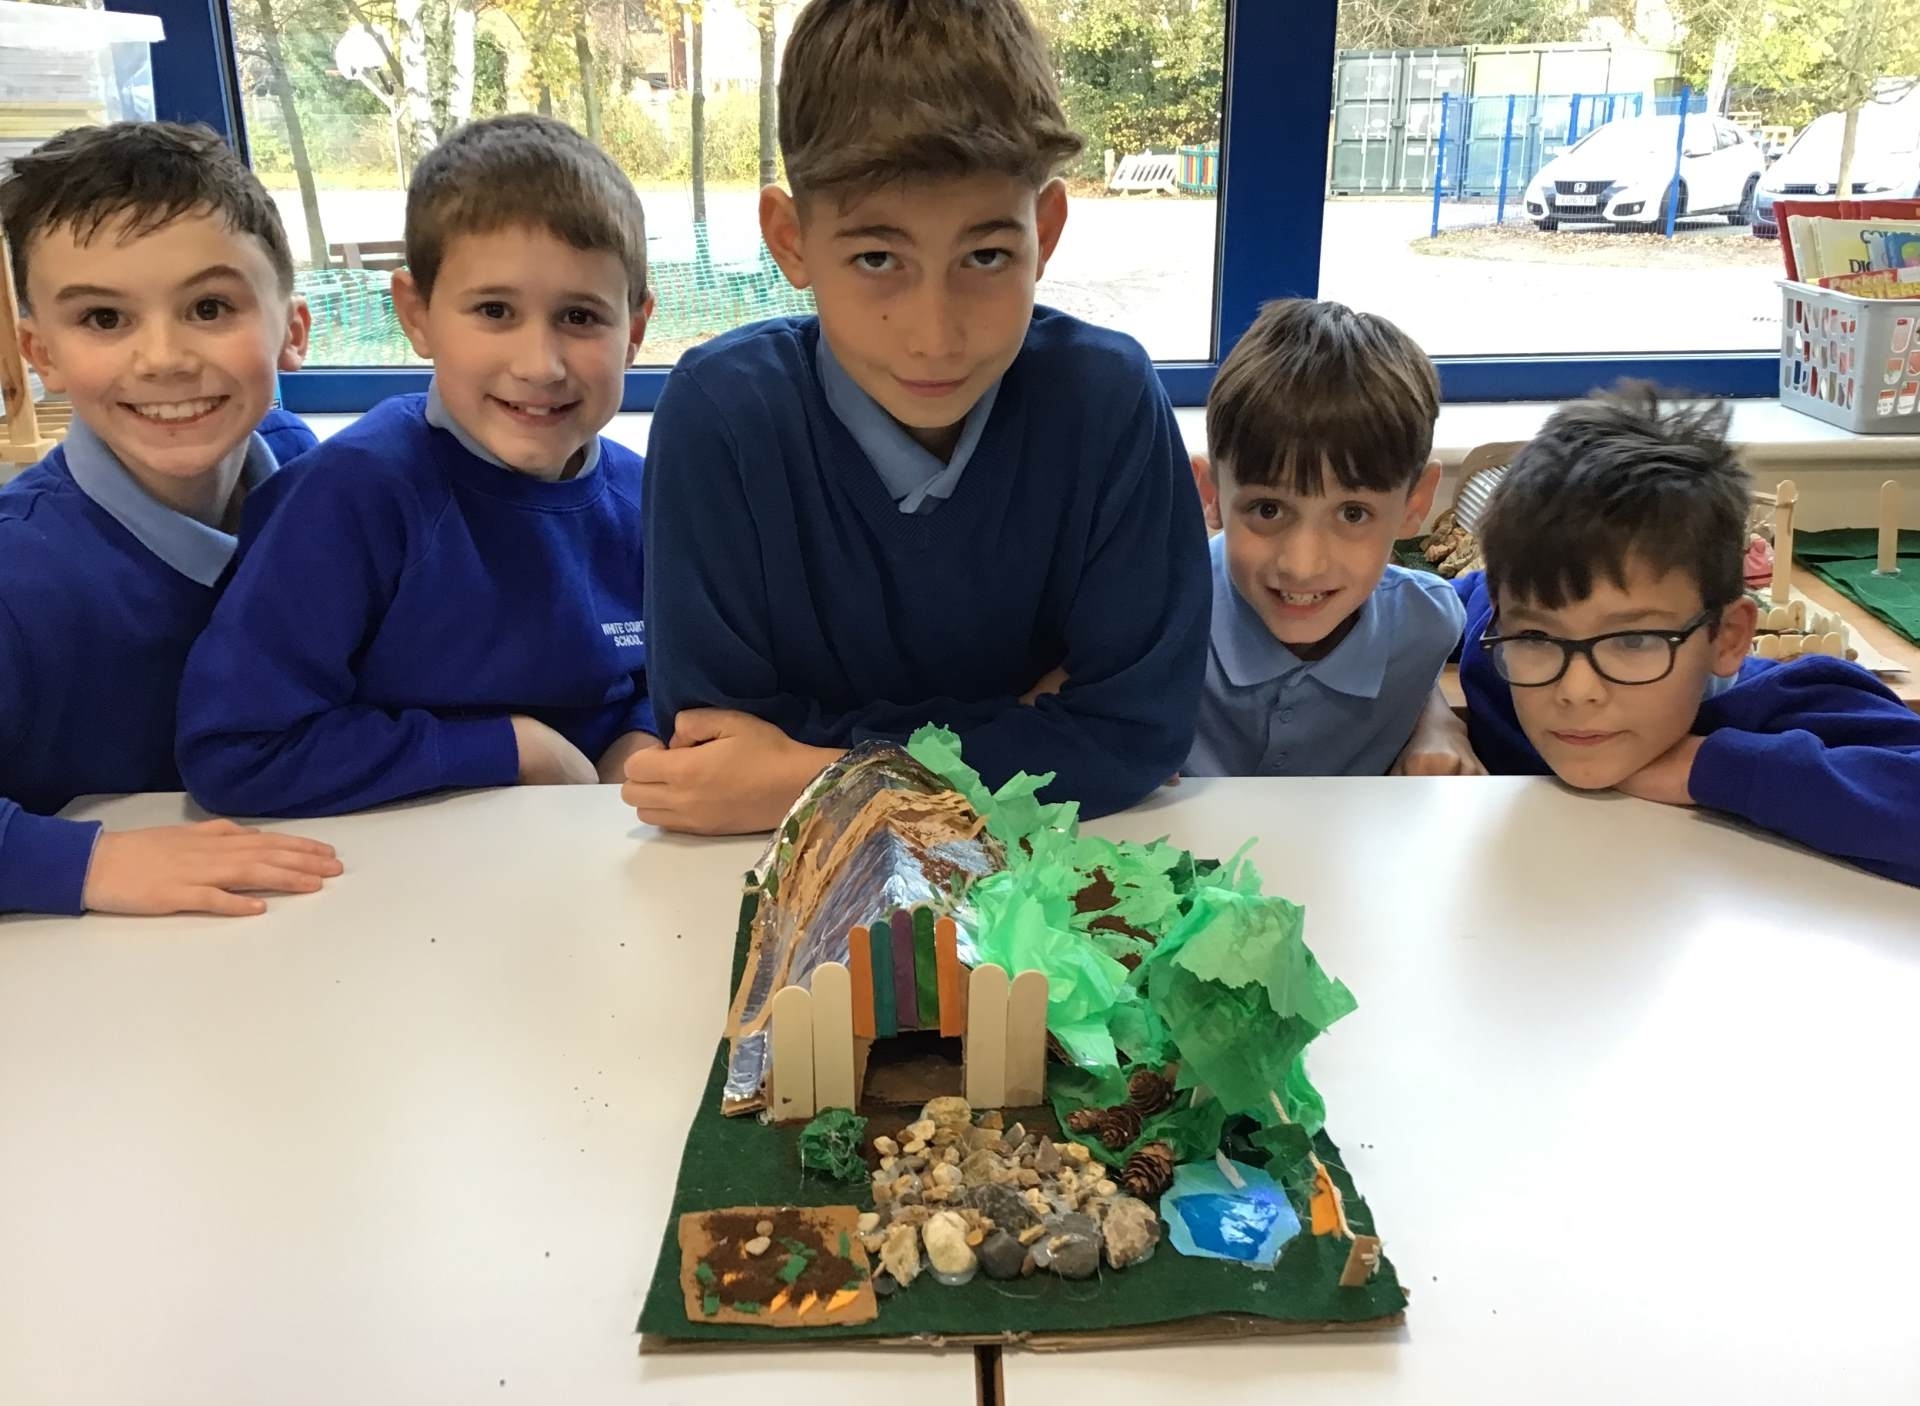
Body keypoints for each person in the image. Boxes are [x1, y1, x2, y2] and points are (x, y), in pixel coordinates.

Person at [628, 0, 1209, 835]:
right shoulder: (720, 420)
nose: (935, 336)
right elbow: (714, 750)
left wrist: (809, 773)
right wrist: (1024, 725)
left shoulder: (1109, 404)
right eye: (877, 257)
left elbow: (1134, 736)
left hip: (1049, 877)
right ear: (791, 241)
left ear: (1044, 232)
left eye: (985, 255)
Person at [176, 115, 657, 818]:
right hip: (405, 862)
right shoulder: (349, 498)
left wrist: (642, 736)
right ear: (418, 315)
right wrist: (510, 749)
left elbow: (671, 675)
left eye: (580, 317)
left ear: (634, 331)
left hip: (596, 848)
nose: (540, 365)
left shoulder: (649, 499)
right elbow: (234, 749)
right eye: (494, 310)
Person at [0, 121, 341, 917]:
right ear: (40, 354)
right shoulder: (18, 574)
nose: (163, 358)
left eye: (209, 307)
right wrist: (85, 863)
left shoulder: (313, 476)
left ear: (292, 330)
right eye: (104, 319)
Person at [1456, 384, 1920, 886]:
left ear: (1727, 637)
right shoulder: (1498, 648)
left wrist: (1713, 768)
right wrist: (1433, 719)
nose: (1577, 690)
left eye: (1633, 641)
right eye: (1537, 638)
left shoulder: (1792, 702)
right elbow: (1428, 604)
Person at [1184, 299, 1464, 777]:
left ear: (1415, 504)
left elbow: (1418, 662)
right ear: (1211, 495)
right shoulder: (1153, 615)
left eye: (1353, 514)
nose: (1302, 565)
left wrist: (1437, 721)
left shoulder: (1428, 623)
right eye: (1268, 509)